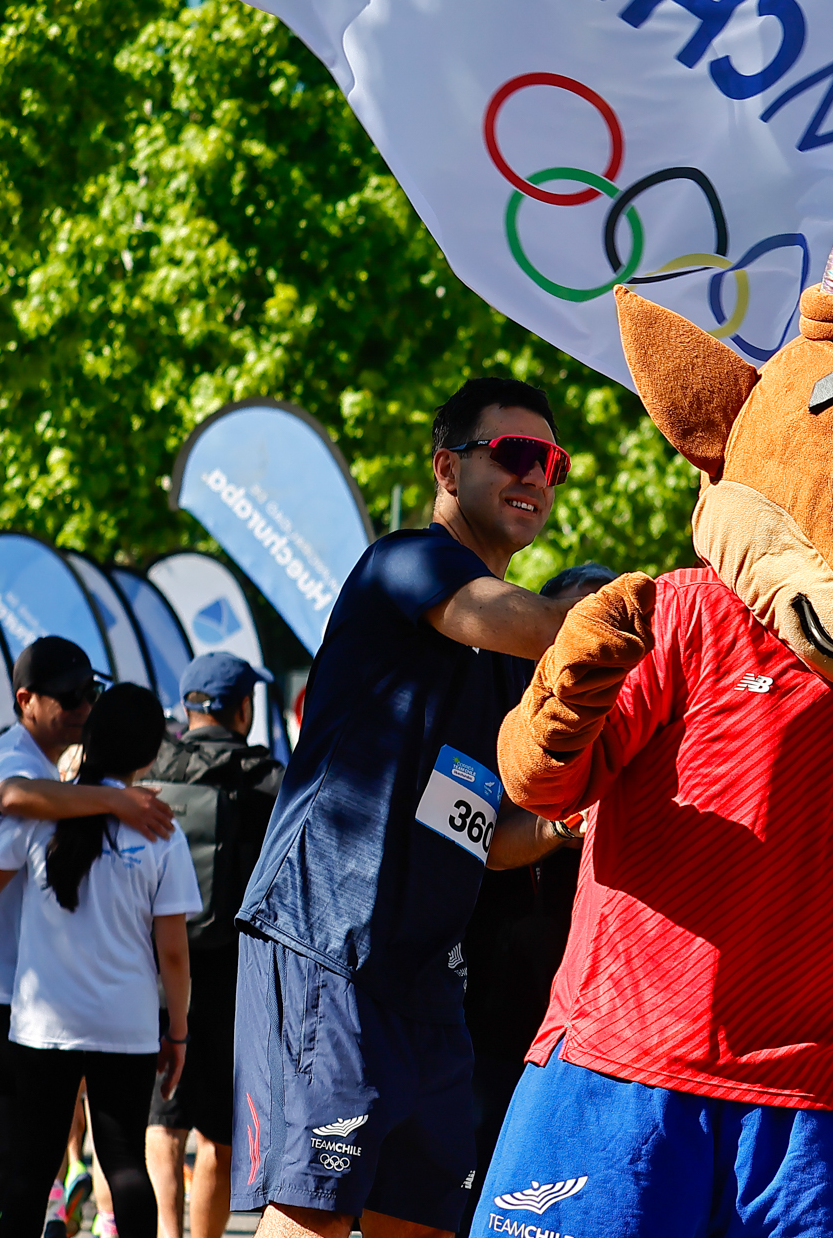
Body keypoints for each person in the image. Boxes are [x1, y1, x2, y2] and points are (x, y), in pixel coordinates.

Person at [231, 377, 590, 1238]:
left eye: (552, 462)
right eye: (512, 452)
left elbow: (490, 837)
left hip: (429, 981)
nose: (536, 474)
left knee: (423, 1222)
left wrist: (571, 820)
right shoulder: (405, 562)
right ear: (446, 466)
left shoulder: (513, 663)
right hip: (324, 940)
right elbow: (517, 618)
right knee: (310, 1217)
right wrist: (651, 618)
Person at [0, 685, 198, 1238]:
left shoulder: (39, 821)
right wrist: (178, 1032)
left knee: (31, 1168)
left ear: (90, 739)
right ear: (151, 755)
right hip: (127, 1026)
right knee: (126, 1166)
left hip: (42, 1028)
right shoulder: (162, 831)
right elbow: (173, 953)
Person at [456, 565, 606, 1230]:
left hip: (592, 1031)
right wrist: (564, 823)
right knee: (478, 1191)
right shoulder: (495, 712)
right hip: (488, 1011)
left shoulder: (643, 721)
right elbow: (477, 839)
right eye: (569, 625)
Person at [141, 654, 284, 1238]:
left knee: (162, 1115)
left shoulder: (154, 770)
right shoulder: (269, 780)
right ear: (242, 708)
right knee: (220, 1131)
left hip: (154, 965)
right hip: (235, 976)